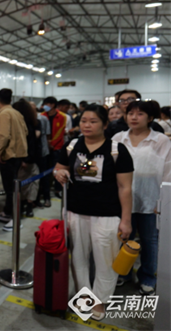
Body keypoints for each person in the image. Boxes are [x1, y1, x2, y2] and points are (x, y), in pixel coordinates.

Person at [55, 104, 133, 320]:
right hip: (75, 211)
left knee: (105, 261)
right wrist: (59, 174)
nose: (87, 125)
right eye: (84, 121)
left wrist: (126, 220)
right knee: (77, 258)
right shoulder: (72, 146)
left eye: (93, 121)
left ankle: (100, 301)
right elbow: (60, 168)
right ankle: (83, 296)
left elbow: (125, 188)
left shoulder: (117, 150)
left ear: (105, 124)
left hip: (106, 214)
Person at [113, 101, 171, 295]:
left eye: (139, 114)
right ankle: (124, 273)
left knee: (149, 241)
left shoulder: (161, 140)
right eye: (130, 113)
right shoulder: (118, 138)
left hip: (150, 199)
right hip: (123, 199)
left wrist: (162, 200)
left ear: (150, 118)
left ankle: (147, 277)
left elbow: (168, 173)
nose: (134, 117)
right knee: (124, 239)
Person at [0, 89, 28, 225]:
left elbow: (4, 135)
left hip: (9, 154)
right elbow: (25, 131)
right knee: (13, 185)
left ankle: (8, 212)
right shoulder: (17, 113)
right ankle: (14, 210)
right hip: (18, 153)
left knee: (9, 187)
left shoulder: (3, 114)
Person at [12, 99, 41, 222]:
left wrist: (25, 159)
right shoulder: (33, 123)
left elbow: (25, 144)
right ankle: (29, 206)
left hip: (23, 160)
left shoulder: (21, 125)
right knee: (33, 183)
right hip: (33, 159)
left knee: (23, 185)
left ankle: (24, 206)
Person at [42, 96, 67, 202]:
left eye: (46, 104)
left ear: (52, 105)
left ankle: (58, 190)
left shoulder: (62, 116)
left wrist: (51, 143)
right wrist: (47, 144)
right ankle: (45, 192)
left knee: (57, 170)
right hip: (46, 148)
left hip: (57, 147)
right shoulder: (42, 116)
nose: (44, 107)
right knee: (46, 171)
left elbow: (60, 132)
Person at [31, 101, 51, 208]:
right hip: (33, 153)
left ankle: (46, 197)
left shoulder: (42, 119)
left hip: (42, 151)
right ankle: (34, 199)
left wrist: (48, 147)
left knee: (44, 176)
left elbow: (47, 135)